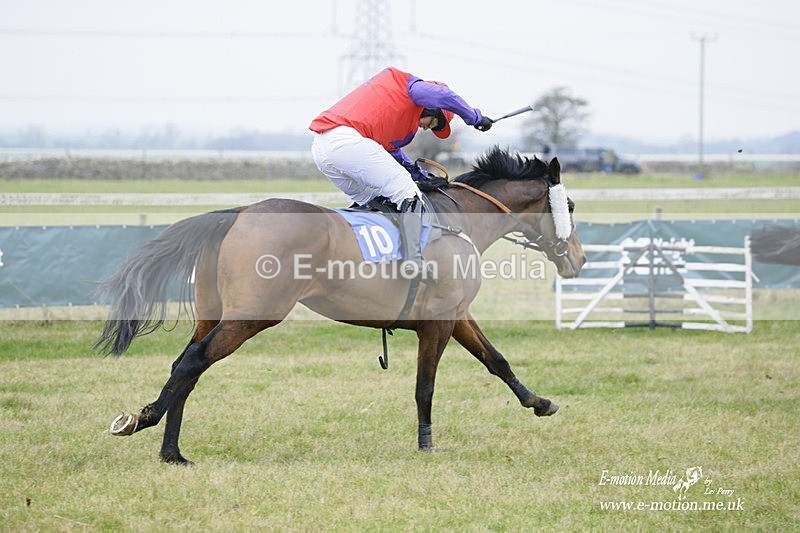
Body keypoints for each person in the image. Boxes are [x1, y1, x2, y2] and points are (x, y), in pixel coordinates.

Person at [309, 66, 493, 283]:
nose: (426, 128)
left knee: (375, 199)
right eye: (432, 123)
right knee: (405, 191)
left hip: (322, 148)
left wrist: (421, 175)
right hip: (346, 142)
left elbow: (391, 153)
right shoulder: (414, 89)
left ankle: (357, 257)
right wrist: (474, 117)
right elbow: (443, 95)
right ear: (431, 109)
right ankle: (413, 260)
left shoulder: (395, 117)